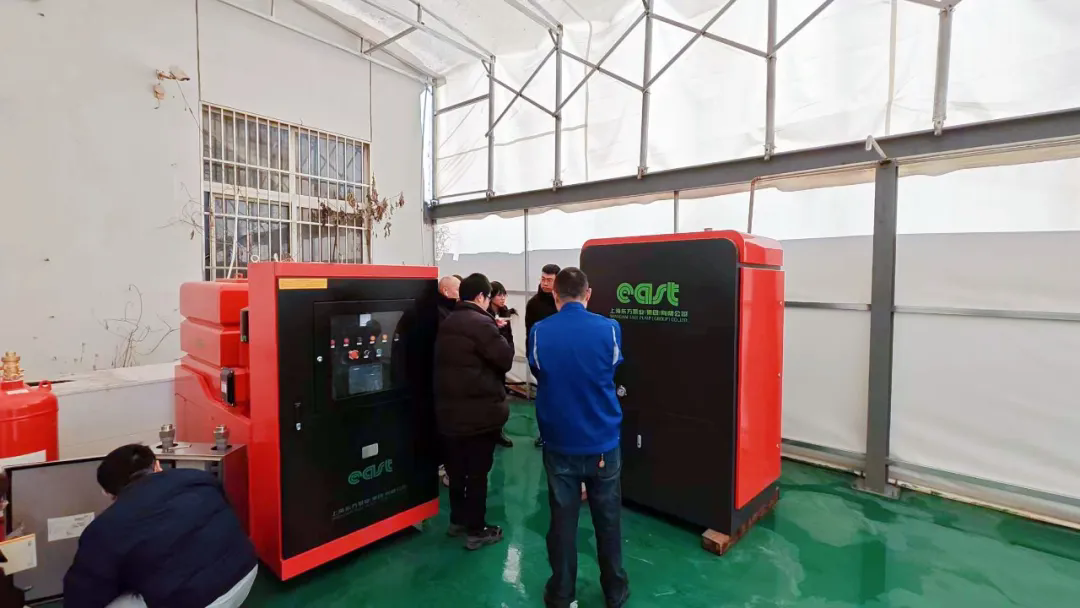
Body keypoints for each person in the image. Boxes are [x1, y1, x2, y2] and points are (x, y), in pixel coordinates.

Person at [528, 267, 630, 608]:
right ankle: (614, 591)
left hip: (559, 442)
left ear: (554, 295)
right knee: (608, 518)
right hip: (603, 441)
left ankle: (561, 594)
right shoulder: (610, 329)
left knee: (562, 521)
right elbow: (612, 367)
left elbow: (540, 371)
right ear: (588, 294)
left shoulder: (539, 332)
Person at [64, 444, 258, 608]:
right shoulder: (199, 478)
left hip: (200, 601)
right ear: (157, 466)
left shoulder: (106, 527)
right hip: (247, 572)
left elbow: (82, 596)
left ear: (108, 494)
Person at [434, 273, 514, 550]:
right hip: (479, 414)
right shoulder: (482, 323)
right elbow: (505, 359)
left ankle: (457, 520)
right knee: (478, 473)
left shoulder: (449, 321)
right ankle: (477, 530)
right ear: (481, 297)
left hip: (449, 411)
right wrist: (503, 331)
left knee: (457, 471)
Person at [525, 264, 560, 448]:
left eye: (550, 280)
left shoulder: (562, 303)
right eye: (543, 279)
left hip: (562, 359)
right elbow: (529, 335)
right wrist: (533, 361)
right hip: (542, 361)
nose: (545, 283)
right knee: (544, 400)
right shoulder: (533, 304)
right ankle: (544, 433)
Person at [489, 281, 517, 448]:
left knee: (500, 398)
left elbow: (509, 337)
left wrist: (510, 354)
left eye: (504, 294)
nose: (503, 298)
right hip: (488, 364)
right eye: (499, 294)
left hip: (502, 361)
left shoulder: (505, 312)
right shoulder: (484, 315)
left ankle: (498, 431)